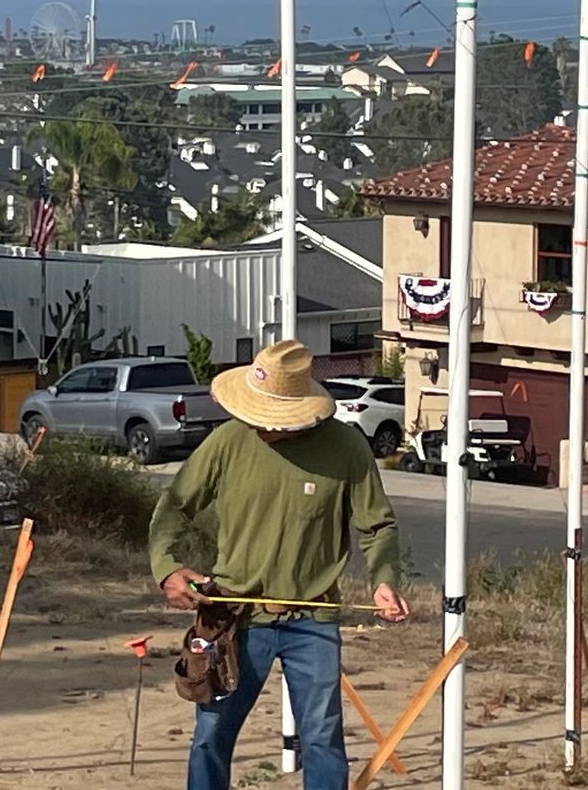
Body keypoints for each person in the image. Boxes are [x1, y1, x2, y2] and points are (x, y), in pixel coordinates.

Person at [150, 339, 409, 790]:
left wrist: (383, 580)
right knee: (211, 734)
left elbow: (377, 526)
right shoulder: (227, 441)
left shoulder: (346, 447)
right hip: (234, 617)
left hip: (312, 620)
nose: (261, 424)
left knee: (323, 739)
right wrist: (167, 569)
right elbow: (174, 506)